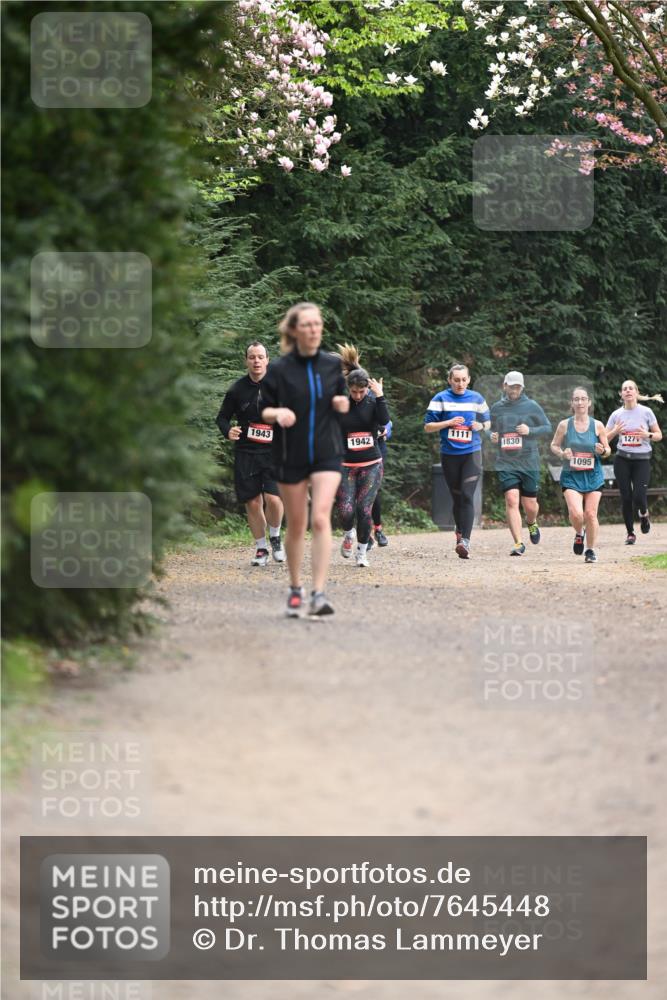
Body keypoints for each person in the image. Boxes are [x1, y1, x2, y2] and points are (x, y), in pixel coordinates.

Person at [260, 302, 349, 617]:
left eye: (318, 324)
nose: (314, 329)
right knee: (297, 523)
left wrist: (342, 404)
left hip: (327, 451)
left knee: (321, 517)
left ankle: (320, 593)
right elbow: (264, 410)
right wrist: (278, 412)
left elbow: (342, 401)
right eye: (308, 324)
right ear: (295, 330)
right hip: (291, 454)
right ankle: (296, 588)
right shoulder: (280, 369)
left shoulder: (331, 366)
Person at [216, 342, 285, 566]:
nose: (256, 361)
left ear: (267, 360)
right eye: (252, 357)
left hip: (274, 451)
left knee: (274, 499)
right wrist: (228, 431)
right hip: (247, 452)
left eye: (260, 357)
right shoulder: (237, 389)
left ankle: (275, 536)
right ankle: (261, 549)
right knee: (253, 502)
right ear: (246, 360)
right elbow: (222, 418)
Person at [424, 363, 491, 559]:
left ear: (468, 380)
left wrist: (480, 425)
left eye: (463, 380)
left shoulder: (477, 398)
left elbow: (488, 422)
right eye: (456, 380)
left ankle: (465, 542)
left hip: (472, 453)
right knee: (457, 497)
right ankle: (459, 532)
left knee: (467, 496)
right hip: (450, 455)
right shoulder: (440, 399)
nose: (460, 384)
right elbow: (428, 426)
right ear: (449, 380)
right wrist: (448, 423)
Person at [333, 343, 390, 550]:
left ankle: (362, 550)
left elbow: (384, 420)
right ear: (348, 388)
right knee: (346, 510)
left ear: (368, 388)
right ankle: (349, 533)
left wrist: (380, 395)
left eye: (362, 391)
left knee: (364, 509)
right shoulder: (341, 403)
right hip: (346, 464)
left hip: (371, 462)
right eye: (354, 391)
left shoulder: (374, 402)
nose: (358, 395)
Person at [489, 371, 552, 556]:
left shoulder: (531, 406)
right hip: (506, 461)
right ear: (505, 385)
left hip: (528, 461)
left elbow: (547, 427)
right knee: (511, 500)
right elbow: (489, 429)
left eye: (518, 387)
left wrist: (529, 430)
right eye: (512, 386)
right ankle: (518, 542)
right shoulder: (496, 408)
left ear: (522, 388)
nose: (514, 389)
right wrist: (490, 435)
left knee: (530, 505)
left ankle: (531, 522)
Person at [550, 387, 610, 564]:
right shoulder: (564, 425)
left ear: (589, 402)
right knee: (577, 514)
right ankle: (579, 533)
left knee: (590, 514)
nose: (580, 402)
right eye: (576, 399)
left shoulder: (598, 425)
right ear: (572, 403)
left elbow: (607, 450)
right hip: (571, 476)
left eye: (583, 399)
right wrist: (562, 454)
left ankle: (590, 550)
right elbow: (554, 445)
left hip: (593, 476)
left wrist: (602, 450)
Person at [605, 380, 663, 544]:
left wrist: (647, 434)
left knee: (639, 495)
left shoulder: (646, 412)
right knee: (626, 497)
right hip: (622, 459)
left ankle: (644, 514)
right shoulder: (616, 415)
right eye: (625, 389)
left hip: (642, 460)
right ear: (621, 394)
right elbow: (604, 439)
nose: (628, 391)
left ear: (636, 392)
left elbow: (658, 435)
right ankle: (630, 533)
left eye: (631, 388)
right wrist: (615, 431)